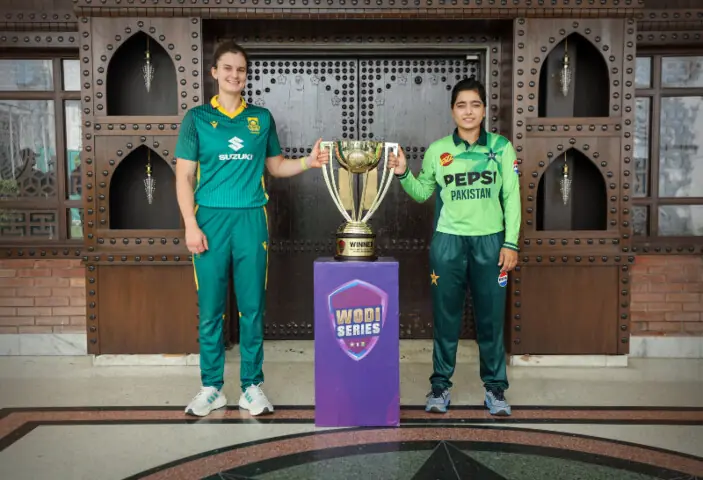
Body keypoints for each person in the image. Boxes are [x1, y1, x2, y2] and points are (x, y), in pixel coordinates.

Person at [174, 40, 329, 417]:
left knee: (252, 307)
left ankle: (251, 387)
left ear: (246, 75)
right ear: (214, 72)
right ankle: (211, 387)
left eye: (241, 69)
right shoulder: (196, 119)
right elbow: (184, 177)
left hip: (251, 219)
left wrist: (307, 162)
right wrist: (190, 225)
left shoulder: (261, 118)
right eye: (227, 68)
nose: (234, 75)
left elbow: (275, 167)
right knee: (211, 309)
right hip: (209, 220)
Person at [388, 78, 520, 416]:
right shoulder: (438, 150)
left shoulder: (501, 148)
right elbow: (422, 192)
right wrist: (403, 173)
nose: (468, 112)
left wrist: (510, 243)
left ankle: (495, 389)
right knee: (446, 320)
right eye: (462, 105)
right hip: (448, 243)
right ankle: (440, 387)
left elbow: (511, 198)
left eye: (475, 105)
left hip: (491, 242)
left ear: (484, 110)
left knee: (491, 320)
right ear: (452, 111)